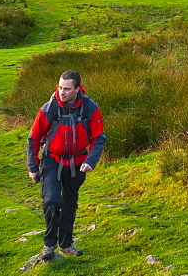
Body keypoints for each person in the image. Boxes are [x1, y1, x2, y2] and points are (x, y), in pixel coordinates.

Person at [27, 70, 106, 260]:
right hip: (52, 161)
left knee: (70, 204)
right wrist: (33, 167)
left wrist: (90, 161)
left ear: (77, 89)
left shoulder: (89, 108)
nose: (62, 92)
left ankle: (66, 244)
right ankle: (49, 245)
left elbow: (99, 138)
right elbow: (33, 138)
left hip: (78, 163)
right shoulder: (49, 108)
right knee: (52, 200)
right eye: (60, 88)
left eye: (67, 89)